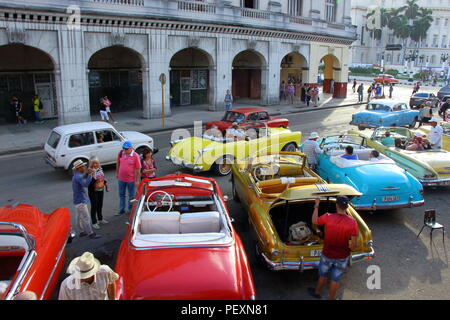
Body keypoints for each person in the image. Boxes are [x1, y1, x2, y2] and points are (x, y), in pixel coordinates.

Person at [308, 196, 358, 300]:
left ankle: (317, 293)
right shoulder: (353, 222)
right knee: (336, 278)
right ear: (347, 206)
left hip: (327, 254)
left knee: (323, 274)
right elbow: (354, 244)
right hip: (342, 256)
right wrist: (347, 249)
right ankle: (331, 298)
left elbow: (314, 221)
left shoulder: (328, 217)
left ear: (336, 206)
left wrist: (316, 205)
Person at [72, 160, 101, 239]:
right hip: (81, 200)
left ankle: (81, 231)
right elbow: (86, 184)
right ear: (79, 168)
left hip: (76, 200)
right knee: (86, 218)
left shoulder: (75, 175)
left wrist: (87, 174)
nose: (84, 167)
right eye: (83, 166)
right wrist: (90, 175)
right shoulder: (79, 176)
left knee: (79, 217)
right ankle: (90, 233)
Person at [116, 141, 142, 215]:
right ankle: (122, 209)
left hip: (131, 179)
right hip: (121, 178)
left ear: (131, 148)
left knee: (132, 195)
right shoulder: (121, 153)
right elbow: (118, 163)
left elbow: (138, 169)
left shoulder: (135, 156)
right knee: (121, 194)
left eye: (126, 149)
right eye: (124, 148)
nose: (125, 150)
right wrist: (117, 173)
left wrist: (137, 180)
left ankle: (131, 209)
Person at [88, 157, 108, 230]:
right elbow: (89, 183)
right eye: (93, 163)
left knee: (100, 204)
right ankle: (94, 222)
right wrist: (93, 175)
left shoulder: (100, 169)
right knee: (94, 206)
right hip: (93, 191)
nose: (95, 164)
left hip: (100, 189)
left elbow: (103, 179)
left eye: (96, 163)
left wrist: (106, 185)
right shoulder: (90, 171)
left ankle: (100, 219)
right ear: (91, 164)